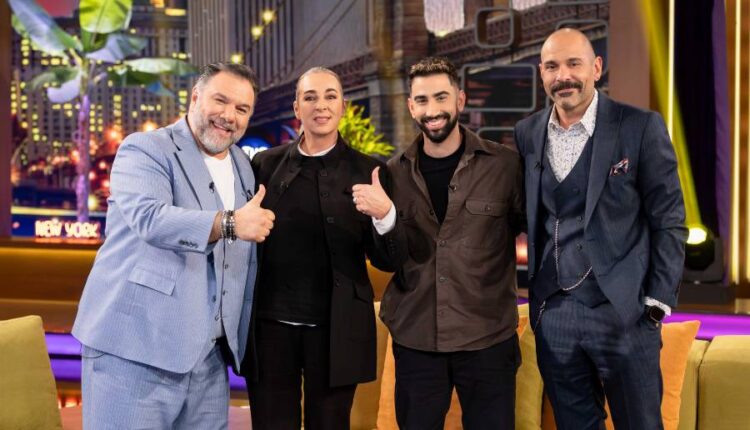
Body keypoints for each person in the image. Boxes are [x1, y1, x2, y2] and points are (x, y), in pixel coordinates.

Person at [72, 62, 275, 429]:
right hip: (135, 351)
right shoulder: (146, 149)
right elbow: (151, 218)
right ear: (195, 97)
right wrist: (230, 223)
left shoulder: (243, 167)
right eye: (220, 100)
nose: (229, 115)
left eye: (242, 109)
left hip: (209, 362)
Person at [514, 28, 687, 429]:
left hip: (625, 312)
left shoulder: (640, 126)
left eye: (573, 64)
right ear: (541, 73)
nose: (563, 76)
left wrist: (656, 302)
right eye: (552, 67)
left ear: (596, 68)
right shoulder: (527, 133)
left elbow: (669, 219)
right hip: (554, 313)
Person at [242, 66, 407, 430]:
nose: (321, 105)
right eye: (310, 97)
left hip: (338, 332)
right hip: (270, 329)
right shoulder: (264, 164)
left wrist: (385, 215)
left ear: (343, 106)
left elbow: (389, 260)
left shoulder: (371, 171)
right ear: (296, 108)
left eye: (330, 96)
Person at [380, 56, 525, 429]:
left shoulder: (505, 166)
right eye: (422, 100)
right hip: (416, 340)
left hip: (488, 340)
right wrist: (381, 217)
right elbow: (387, 257)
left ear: (460, 100)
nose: (432, 110)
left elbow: (542, 233)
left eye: (441, 98)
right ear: (411, 107)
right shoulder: (393, 174)